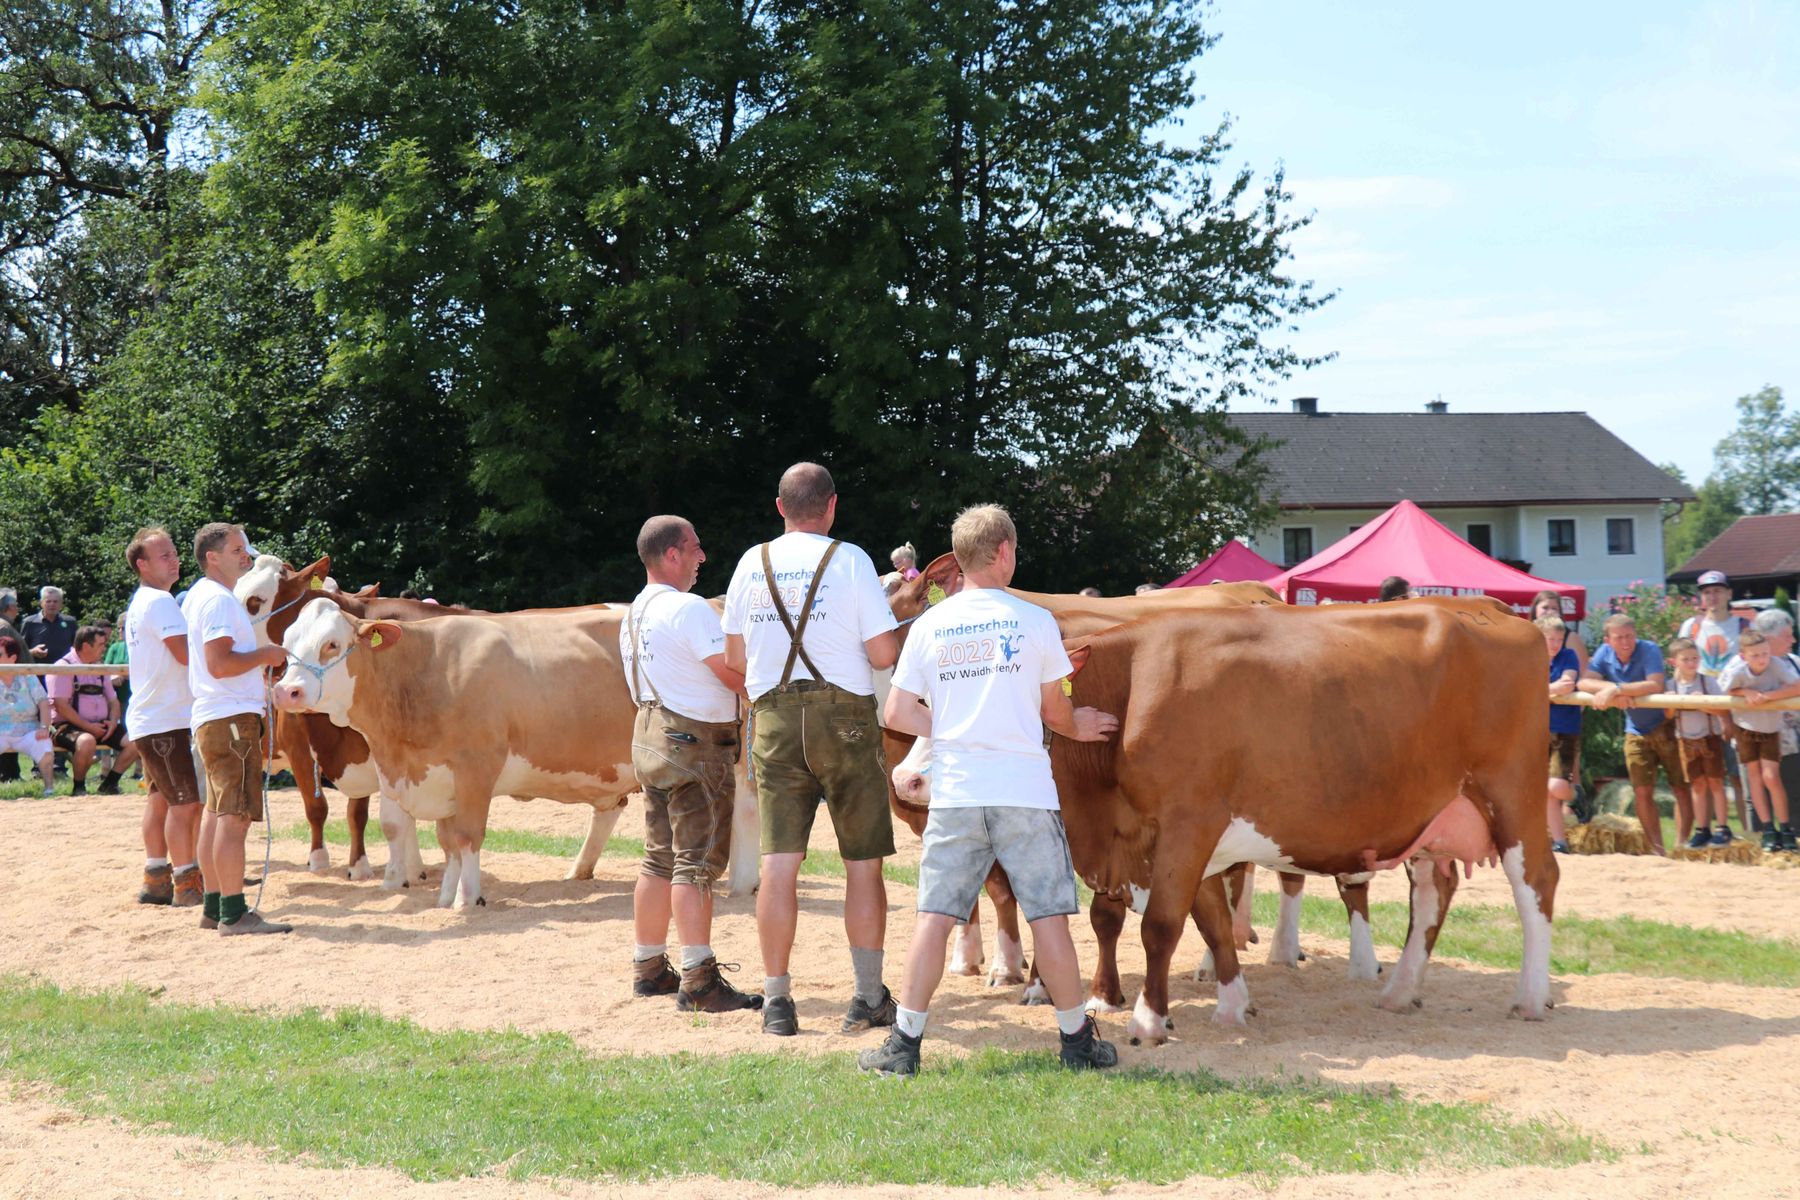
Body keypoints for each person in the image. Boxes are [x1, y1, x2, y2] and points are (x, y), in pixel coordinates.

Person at [860, 504, 1120, 1077]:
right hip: (1024, 789)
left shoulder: (930, 624)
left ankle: (904, 1047)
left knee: (934, 917)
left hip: (955, 790)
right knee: (1048, 918)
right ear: (1003, 552)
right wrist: (1081, 725)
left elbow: (898, 711)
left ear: (958, 559)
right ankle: (1077, 1043)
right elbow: (1056, 712)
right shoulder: (1034, 621)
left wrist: (952, 728)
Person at [722, 462, 900, 1038]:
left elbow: (735, 659)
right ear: (832, 506)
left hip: (773, 718)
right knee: (862, 862)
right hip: (844, 719)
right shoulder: (850, 561)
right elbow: (880, 656)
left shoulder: (752, 562)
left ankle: (777, 1002)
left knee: (778, 862)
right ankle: (867, 997)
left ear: (779, 508)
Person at [621, 514, 761, 1015]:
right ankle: (700, 980)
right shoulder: (688, 609)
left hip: (650, 737)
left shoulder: (635, 612)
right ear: (673, 554)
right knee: (696, 864)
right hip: (695, 745)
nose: (703, 557)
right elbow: (732, 675)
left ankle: (649, 967)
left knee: (658, 857)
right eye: (695, 548)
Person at [186, 522, 292, 935]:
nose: (246, 555)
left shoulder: (200, 595)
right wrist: (265, 653)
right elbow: (220, 663)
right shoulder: (219, 602)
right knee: (234, 818)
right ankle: (233, 913)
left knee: (216, 814)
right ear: (213, 557)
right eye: (236, 549)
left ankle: (215, 908)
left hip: (214, 716)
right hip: (230, 718)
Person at [124, 526, 206, 908]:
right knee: (185, 804)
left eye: (174, 553)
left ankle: (156, 877)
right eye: (164, 556)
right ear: (142, 565)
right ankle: (186, 881)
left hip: (153, 718)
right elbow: (188, 656)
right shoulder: (160, 603)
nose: (174, 560)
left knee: (161, 800)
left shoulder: (145, 601)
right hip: (165, 720)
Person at [1579, 614, 1691, 856]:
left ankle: (1682, 846)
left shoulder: (1648, 649)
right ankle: (1657, 850)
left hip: (1666, 725)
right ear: (1608, 640)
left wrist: (1617, 690)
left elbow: (1655, 685)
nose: (1626, 642)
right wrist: (1610, 690)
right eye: (1619, 637)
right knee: (1642, 790)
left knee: (1680, 786)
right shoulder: (1603, 653)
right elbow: (1584, 683)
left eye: (1629, 636)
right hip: (1636, 728)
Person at [1719, 629, 1800, 853]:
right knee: (1754, 778)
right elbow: (1724, 690)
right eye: (1755, 655)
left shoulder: (1776, 665)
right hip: (1745, 728)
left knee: (1771, 777)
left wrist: (1768, 697)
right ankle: (1768, 829)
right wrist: (1745, 691)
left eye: (1764, 653)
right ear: (1744, 655)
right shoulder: (1737, 668)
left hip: (1770, 729)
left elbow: (1797, 686)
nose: (1762, 659)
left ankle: (1785, 828)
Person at [1678, 571, 1750, 825]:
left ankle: (1749, 832)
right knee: (1702, 777)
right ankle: (1706, 830)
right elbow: (1680, 666)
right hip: (1698, 713)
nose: (1713, 596)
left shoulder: (1743, 626)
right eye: (1707, 592)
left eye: (1718, 590)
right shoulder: (1691, 627)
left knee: (1739, 775)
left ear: (1729, 593)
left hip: (1734, 709)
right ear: (1701, 597)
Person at [47, 625, 138, 795]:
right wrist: (89, 728)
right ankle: (79, 787)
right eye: (101, 644)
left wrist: (113, 722)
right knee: (87, 741)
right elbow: (61, 706)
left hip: (100, 725)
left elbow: (113, 700)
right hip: (65, 726)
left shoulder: (99, 667)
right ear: (87, 646)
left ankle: (109, 784)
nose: (105, 648)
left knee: (136, 740)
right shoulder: (62, 667)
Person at [1665, 638, 1732, 848]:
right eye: (1686, 659)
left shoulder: (1708, 682)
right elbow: (1667, 715)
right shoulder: (1670, 685)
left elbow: (1722, 709)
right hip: (1686, 740)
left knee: (1715, 782)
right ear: (1674, 662)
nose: (1692, 663)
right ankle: (1702, 828)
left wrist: (1703, 703)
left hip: (1709, 738)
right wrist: (1672, 701)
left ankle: (1722, 827)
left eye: (1695, 658)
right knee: (1697, 784)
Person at [1537, 614, 1580, 853]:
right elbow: (1525, 690)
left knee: (1555, 787)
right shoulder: (1531, 659)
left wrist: (1543, 692)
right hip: (1537, 729)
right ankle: (1559, 841)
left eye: (1559, 639)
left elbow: (1567, 684)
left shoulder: (1568, 656)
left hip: (1564, 729)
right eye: (1550, 638)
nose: (1555, 644)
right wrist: (1550, 691)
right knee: (1546, 791)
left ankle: (1577, 796)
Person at [0, 635, 56, 795]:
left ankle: (49, 790)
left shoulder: (28, 676)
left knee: (44, 745)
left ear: (13, 658)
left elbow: (43, 703)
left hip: (28, 730)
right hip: (1, 731)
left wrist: (44, 727)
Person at [0, 589, 24, 783]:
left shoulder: (6, 625)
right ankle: (9, 775)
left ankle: (11, 774)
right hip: (10, 683)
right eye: (15, 605)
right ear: (10, 607)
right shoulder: (3, 627)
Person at [22, 585, 77, 665]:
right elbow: (20, 651)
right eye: (48, 601)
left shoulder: (70, 622)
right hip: (37, 673)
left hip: (64, 672)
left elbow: (78, 649)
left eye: (55, 601)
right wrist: (33, 652)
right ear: (41, 603)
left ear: (61, 604)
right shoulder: (29, 623)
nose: (52, 604)